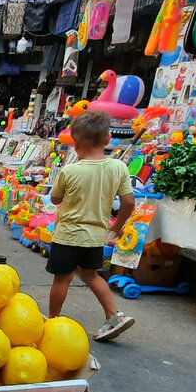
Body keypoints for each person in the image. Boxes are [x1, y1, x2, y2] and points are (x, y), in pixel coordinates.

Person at [47, 110, 136, 341]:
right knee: (92, 275)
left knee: (62, 279)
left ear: (74, 143)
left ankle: (52, 321)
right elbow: (128, 202)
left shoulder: (70, 171)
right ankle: (114, 315)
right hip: (95, 236)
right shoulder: (119, 168)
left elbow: (55, 199)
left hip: (67, 235)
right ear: (108, 139)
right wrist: (116, 228)